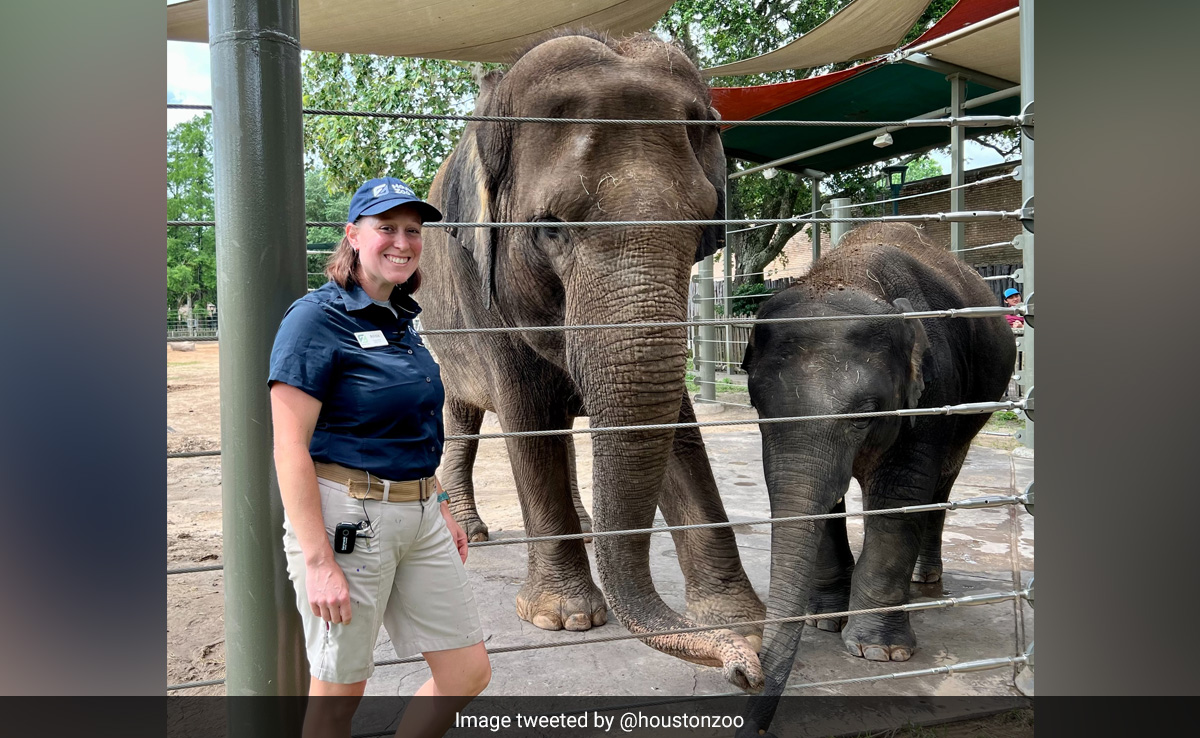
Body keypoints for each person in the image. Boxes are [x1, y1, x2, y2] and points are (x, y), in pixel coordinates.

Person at [268, 176, 491, 737]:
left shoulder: (402, 321)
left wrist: (440, 501)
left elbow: (409, 428)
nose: (402, 241)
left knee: (466, 673)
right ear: (352, 235)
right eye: (385, 227)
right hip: (349, 518)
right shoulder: (315, 319)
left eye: (412, 231)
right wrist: (319, 563)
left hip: (421, 513)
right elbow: (289, 445)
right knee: (338, 697)